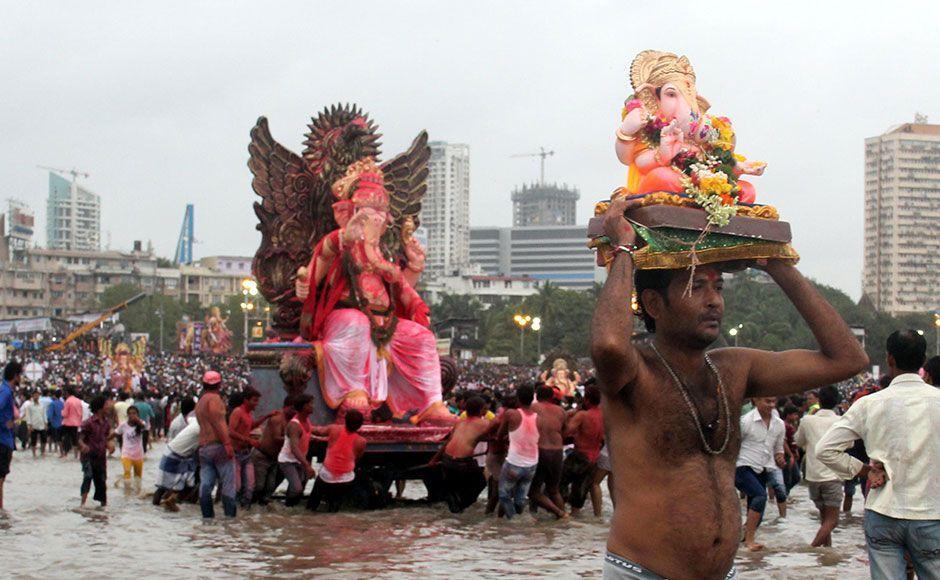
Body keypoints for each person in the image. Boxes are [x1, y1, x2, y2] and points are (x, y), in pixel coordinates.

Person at [591, 196, 868, 579]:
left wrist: (778, 264)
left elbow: (847, 359)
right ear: (654, 304)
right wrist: (623, 249)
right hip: (642, 571)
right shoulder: (633, 371)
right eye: (698, 287)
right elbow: (607, 343)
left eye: (719, 287)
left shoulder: (735, 367)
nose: (714, 301)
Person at [817, 330, 940, 579]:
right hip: (932, 513)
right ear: (923, 361)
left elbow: (825, 450)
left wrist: (865, 470)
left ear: (889, 359)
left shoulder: (868, 404)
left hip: (884, 513)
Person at [793, 385, 844, 547]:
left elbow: (798, 441)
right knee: (833, 520)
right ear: (837, 402)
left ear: (819, 401)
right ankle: (812, 548)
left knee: (825, 518)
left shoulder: (807, 420)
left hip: (813, 476)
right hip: (833, 475)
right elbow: (848, 444)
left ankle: (826, 551)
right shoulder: (840, 422)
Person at [735, 397, 787, 551]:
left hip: (763, 467)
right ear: (755, 401)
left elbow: (778, 449)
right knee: (760, 496)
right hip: (742, 466)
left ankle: (742, 539)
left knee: (758, 510)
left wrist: (780, 457)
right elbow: (734, 445)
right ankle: (750, 541)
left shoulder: (779, 424)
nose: (771, 405)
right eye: (767, 401)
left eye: (773, 402)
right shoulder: (745, 422)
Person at [431, 397, 493, 514]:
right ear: (480, 411)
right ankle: (460, 505)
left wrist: (434, 460)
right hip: (463, 463)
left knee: (457, 488)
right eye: (484, 409)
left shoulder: (459, 422)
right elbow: (497, 436)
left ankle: (455, 504)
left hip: (447, 461)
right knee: (481, 483)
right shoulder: (484, 423)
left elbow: (447, 442)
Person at [308, 409, 368, 512]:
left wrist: (304, 423)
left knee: (312, 504)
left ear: (345, 420)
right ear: (360, 425)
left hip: (326, 475)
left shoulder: (334, 429)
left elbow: (317, 431)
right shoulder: (361, 441)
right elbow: (357, 458)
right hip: (345, 478)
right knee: (334, 507)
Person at [196, 370, 237, 518]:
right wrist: (227, 444)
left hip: (204, 448)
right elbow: (218, 421)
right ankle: (230, 521)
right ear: (219, 384)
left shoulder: (200, 401)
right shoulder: (215, 399)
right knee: (228, 486)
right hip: (218, 446)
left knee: (205, 486)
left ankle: (207, 520)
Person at [497, 384, 540, 519]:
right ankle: (520, 520)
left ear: (518, 398)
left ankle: (514, 520)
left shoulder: (511, 414)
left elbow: (499, 435)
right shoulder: (539, 417)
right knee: (520, 498)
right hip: (532, 463)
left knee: (504, 495)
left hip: (514, 462)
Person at [564, 384, 606, 517]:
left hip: (580, 455)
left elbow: (566, 432)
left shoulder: (583, 415)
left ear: (587, 400)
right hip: (594, 458)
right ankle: (575, 518)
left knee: (559, 484)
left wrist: (567, 416)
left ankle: (560, 515)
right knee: (579, 491)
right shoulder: (603, 415)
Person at [528, 385, 568, 519]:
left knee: (533, 491)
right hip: (557, 451)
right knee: (554, 490)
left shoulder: (532, 408)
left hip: (540, 451)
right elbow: (565, 432)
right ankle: (564, 519)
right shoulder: (561, 411)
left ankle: (559, 513)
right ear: (552, 397)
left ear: (537, 395)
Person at [228, 387, 272, 508]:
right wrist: (249, 440)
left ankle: (244, 516)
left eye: (257, 401)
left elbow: (251, 426)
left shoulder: (248, 414)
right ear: (246, 400)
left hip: (246, 454)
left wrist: (266, 416)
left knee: (249, 487)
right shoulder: (237, 412)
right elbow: (230, 432)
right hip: (236, 454)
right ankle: (232, 514)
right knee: (236, 487)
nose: (256, 403)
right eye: (254, 400)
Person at [251, 395, 294, 506]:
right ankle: (247, 508)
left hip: (274, 459)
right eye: (293, 408)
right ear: (286, 407)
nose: (294, 412)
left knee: (269, 488)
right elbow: (276, 438)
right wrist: (293, 438)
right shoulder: (277, 418)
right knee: (258, 486)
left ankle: (259, 514)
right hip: (262, 456)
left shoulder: (291, 420)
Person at [154, 419, 200, 511]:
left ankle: (166, 505)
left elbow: (189, 418)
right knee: (163, 487)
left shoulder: (196, 421)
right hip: (174, 454)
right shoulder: (202, 428)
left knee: (185, 484)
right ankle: (158, 506)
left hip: (182, 455)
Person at [278, 395, 315, 507]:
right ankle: (286, 508)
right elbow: (294, 448)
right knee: (297, 489)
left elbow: (309, 433)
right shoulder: (294, 425)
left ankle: (289, 511)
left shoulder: (307, 420)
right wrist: (307, 465)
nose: (313, 406)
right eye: (311, 404)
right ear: (304, 406)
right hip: (287, 461)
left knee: (299, 488)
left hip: (298, 461)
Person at [78, 395, 114, 507]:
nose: (109, 406)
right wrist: (83, 445)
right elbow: (79, 437)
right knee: (88, 476)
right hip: (88, 456)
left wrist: (109, 445)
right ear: (100, 408)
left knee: (101, 482)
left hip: (100, 457)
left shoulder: (106, 423)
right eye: (107, 404)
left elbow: (106, 437)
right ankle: (82, 504)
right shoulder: (89, 422)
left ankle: (103, 506)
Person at [0, 361, 21, 511]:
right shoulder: (6, 392)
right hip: (2, 440)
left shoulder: (6, 390)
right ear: (15, 375)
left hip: (6, 439)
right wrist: (4, 423)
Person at [21, 390, 48, 457]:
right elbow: (28, 416)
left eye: (37, 395)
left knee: (44, 440)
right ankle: (34, 454)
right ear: (32, 396)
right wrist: (29, 425)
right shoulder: (29, 406)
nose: (36, 396)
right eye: (35, 395)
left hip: (41, 424)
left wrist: (46, 423)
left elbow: (44, 415)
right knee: (33, 441)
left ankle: (43, 452)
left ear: (39, 396)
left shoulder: (42, 405)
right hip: (34, 425)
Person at [61, 387, 84, 458]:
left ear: (67, 393)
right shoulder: (78, 401)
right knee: (75, 439)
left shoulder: (67, 401)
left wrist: (61, 412)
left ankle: (65, 454)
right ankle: (76, 455)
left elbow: (65, 414)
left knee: (65, 438)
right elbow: (80, 413)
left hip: (67, 423)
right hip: (76, 423)